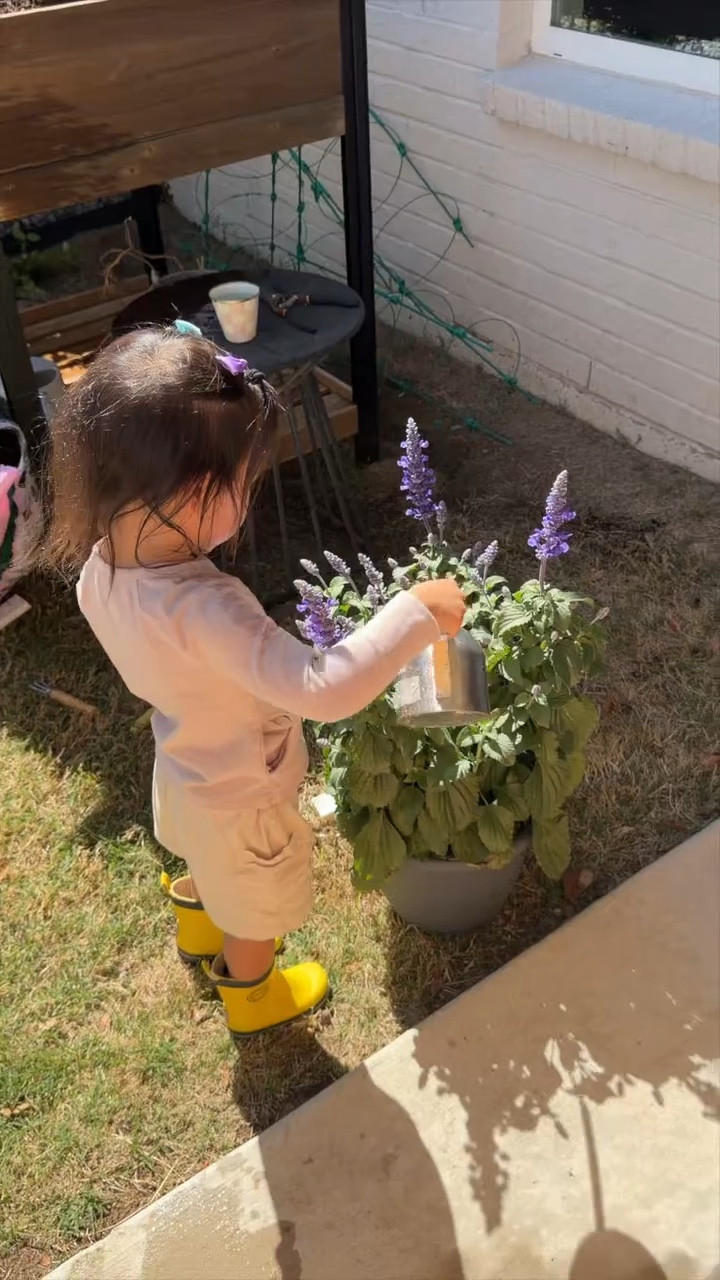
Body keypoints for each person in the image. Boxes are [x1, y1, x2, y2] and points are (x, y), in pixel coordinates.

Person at [46, 324, 466, 1036]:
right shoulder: (211, 611)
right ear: (191, 497)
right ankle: (253, 991)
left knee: (208, 862)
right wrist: (415, 616)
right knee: (255, 907)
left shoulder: (100, 568)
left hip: (184, 763)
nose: (250, 497)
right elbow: (323, 687)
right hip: (243, 794)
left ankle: (197, 916)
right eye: (246, 483)